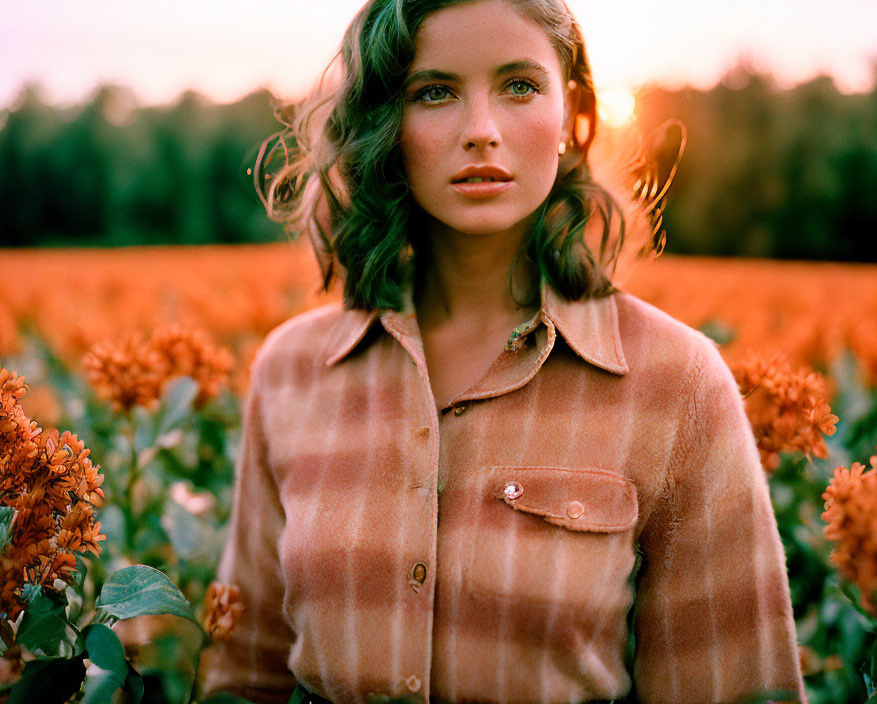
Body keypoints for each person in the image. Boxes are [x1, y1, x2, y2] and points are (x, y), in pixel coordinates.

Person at [197, 1, 806, 702]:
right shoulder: (291, 373)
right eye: (434, 92)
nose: (480, 132)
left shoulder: (680, 382)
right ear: (383, 126)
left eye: (519, 85)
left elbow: (736, 687)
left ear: (575, 117)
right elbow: (243, 672)